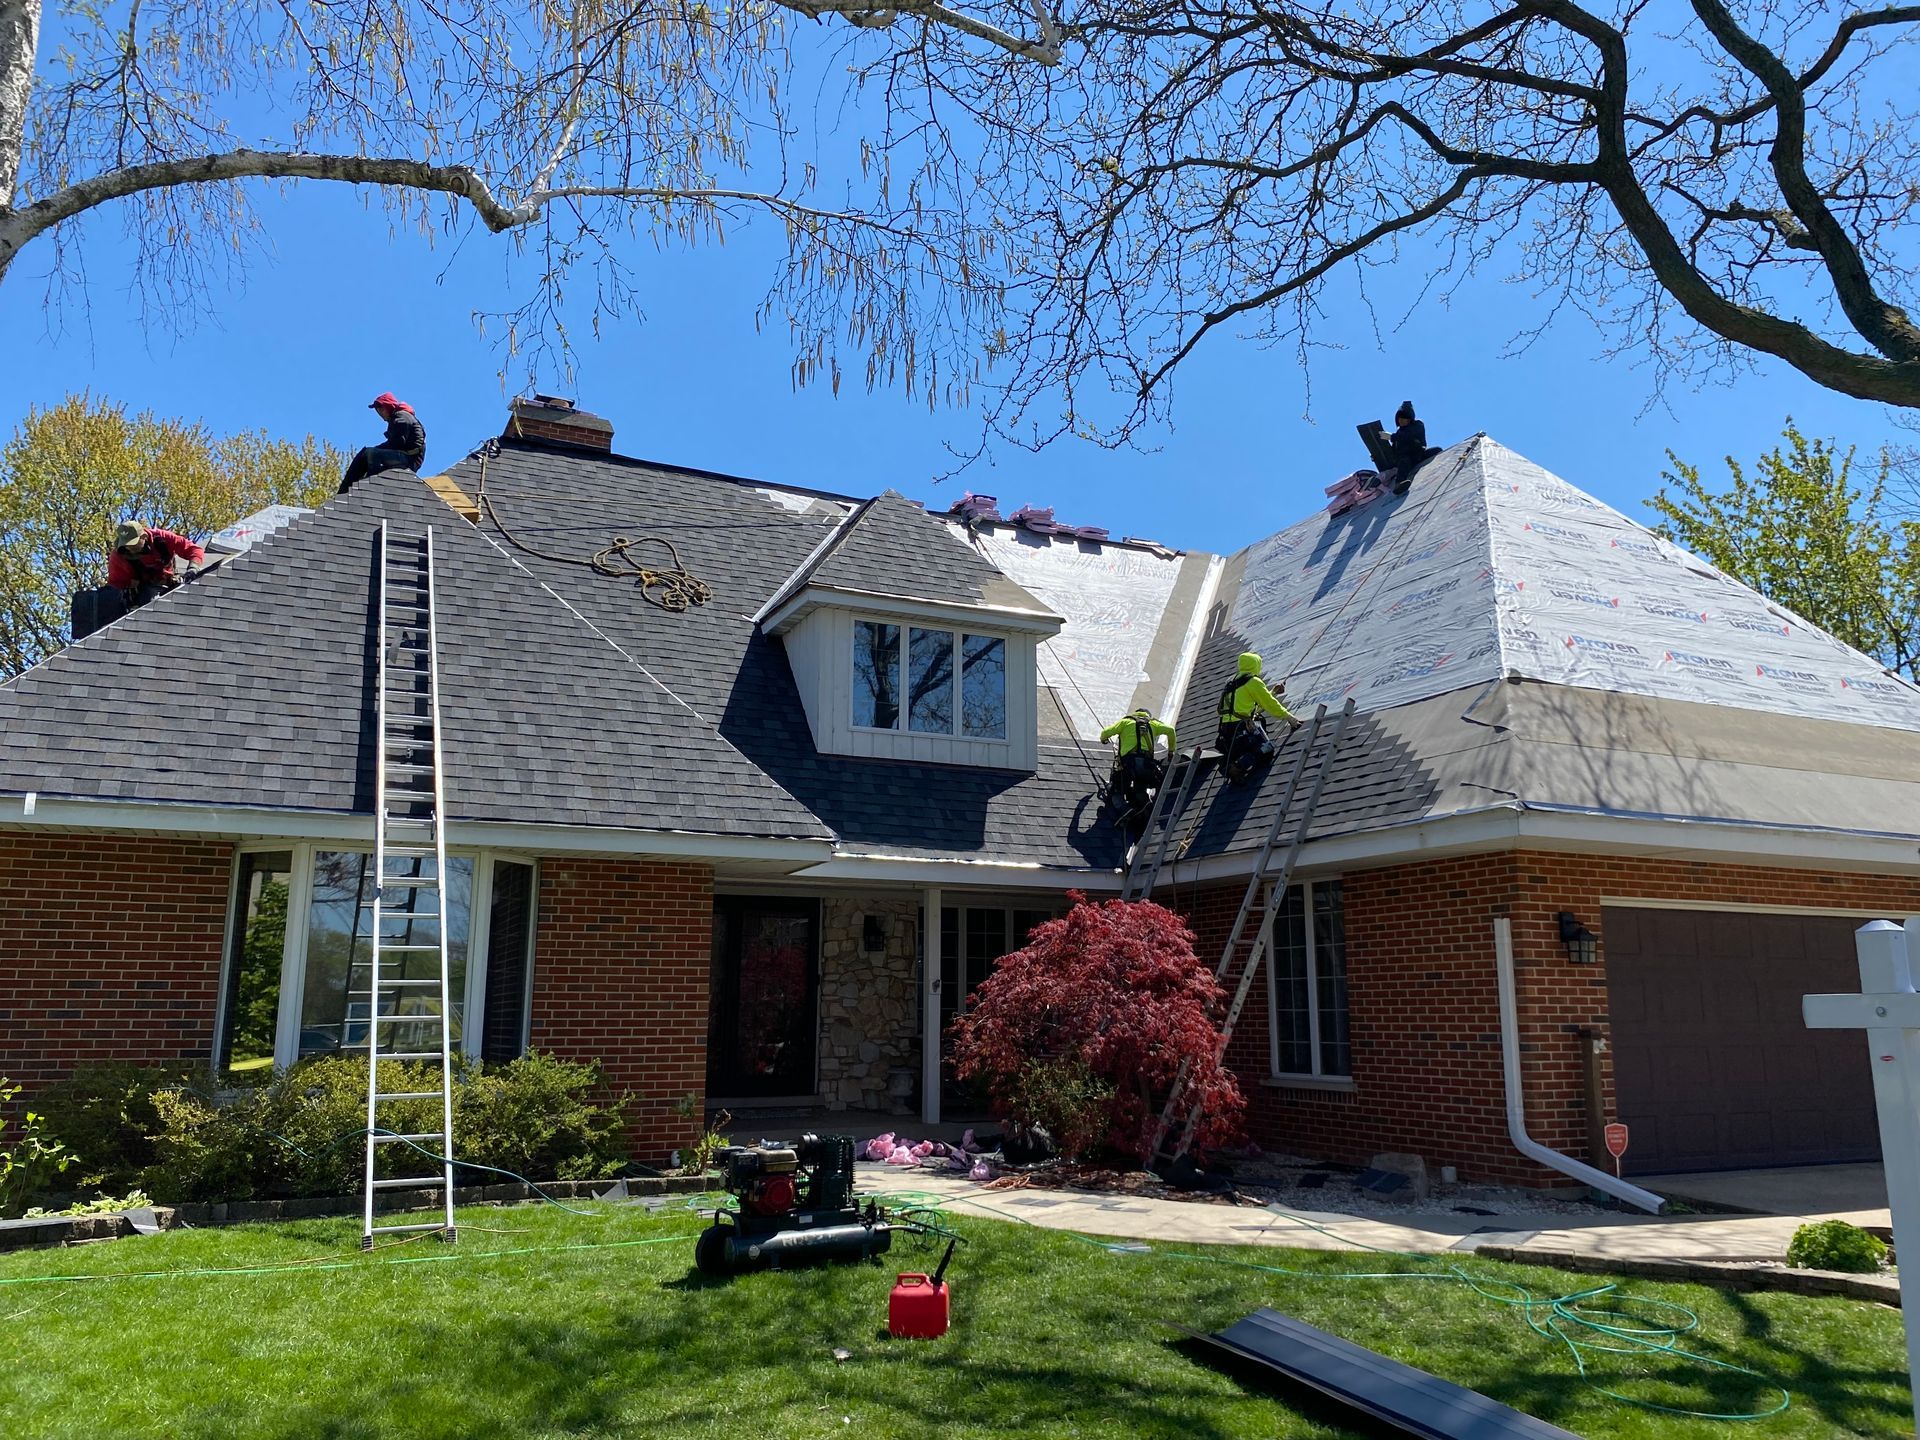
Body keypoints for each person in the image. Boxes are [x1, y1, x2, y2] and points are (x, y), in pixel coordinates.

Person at [1215, 652, 1301, 781]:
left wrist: (1273, 692)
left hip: (1227, 730)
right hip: (1242, 728)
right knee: (1267, 750)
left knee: (1249, 745)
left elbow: (1250, 710)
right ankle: (1237, 766)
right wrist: (1290, 718)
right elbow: (1269, 704)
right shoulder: (1253, 681)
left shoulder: (1232, 681)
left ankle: (1234, 762)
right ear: (1256, 665)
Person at [340, 391, 427, 493]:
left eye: (381, 409)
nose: (380, 413)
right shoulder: (398, 417)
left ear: (388, 406)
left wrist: (375, 451)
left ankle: (370, 485)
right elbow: (393, 444)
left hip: (410, 460)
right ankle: (347, 489)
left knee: (371, 454)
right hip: (405, 456)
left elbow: (397, 443)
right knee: (365, 454)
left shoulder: (402, 417)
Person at [106, 520, 205, 609]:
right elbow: (115, 585)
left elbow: (194, 550)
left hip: (168, 584)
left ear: (144, 537)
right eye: (126, 545)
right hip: (141, 592)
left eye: (133, 544)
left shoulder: (162, 539)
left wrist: (193, 569)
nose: (129, 548)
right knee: (152, 605)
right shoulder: (119, 555)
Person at [1100, 707, 1177, 818]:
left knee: (1116, 790)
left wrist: (1104, 739)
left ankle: (1125, 810)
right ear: (1147, 716)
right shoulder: (1154, 724)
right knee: (1140, 789)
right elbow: (1171, 730)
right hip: (1147, 765)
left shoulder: (1125, 722)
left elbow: (1105, 732)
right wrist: (1171, 751)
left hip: (1128, 765)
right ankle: (1146, 805)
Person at [1388, 401, 1440, 493]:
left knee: (1437, 450)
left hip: (1418, 454)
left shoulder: (1417, 425)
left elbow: (1409, 436)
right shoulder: (1399, 433)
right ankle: (1399, 484)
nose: (1401, 420)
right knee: (1404, 461)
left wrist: (1392, 437)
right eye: (1400, 418)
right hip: (1406, 459)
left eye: (1404, 418)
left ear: (1409, 419)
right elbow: (1394, 451)